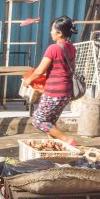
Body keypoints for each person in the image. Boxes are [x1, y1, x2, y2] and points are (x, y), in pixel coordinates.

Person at [23, 15, 77, 145]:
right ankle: (52, 146)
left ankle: (67, 140)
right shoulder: (71, 47)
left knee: (38, 120)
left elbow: (39, 71)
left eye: (52, 30)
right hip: (66, 92)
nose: (50, 32)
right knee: (50, 122)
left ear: (59, 33)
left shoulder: (53, 48)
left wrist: (28, 80)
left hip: (54, 93)